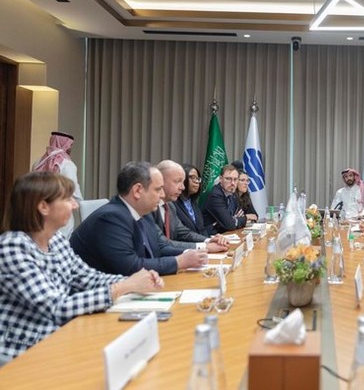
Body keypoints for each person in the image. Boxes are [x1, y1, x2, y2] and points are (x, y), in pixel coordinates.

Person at [0, 172, 164, 363]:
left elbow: (88, 277)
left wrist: (136, 281)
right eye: (67, 199)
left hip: (59, 336)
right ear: (43, 206)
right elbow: (57, 307)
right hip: (24, 350)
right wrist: (123, 287)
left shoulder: (56, 240)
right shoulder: (13, 246)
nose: (75, 205)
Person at [70, 161, 208, 276]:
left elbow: (159, 247)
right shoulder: (111, 217)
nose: (161, 195)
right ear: (137, 191)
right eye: (157, 189)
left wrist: (194, 253)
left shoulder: (143, 213)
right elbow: (131, 267)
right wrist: (179, 262)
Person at [154, 160, 229, 252]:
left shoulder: (169, 206)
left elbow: (184, 233)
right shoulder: (150, 208)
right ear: (160, 181)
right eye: (177, 181)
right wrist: (205, 247)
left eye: (182, 182)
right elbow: (162, 243)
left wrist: (208, 240)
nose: (182, 187)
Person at [31, 132, 83, 238]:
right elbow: (74, 192)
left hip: (38, 213)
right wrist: (84, 211)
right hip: (59, 215)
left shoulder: (38, 162)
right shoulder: (67, 164)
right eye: (70, 146)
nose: (70, 149)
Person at [202, 164, 247, 233]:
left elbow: (239, 215)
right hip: (211, 235)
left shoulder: (232, 194)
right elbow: (230, 224)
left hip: (225, 233)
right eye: (228, 179)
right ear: (220, 179)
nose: (233, 183)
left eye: (235, 179)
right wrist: (243, 219)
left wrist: (233, 220)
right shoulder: (215, 195)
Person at [173, 163, 210, 235]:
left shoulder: (193, 203)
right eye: (192, 178)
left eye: (198, 179)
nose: (197, 182)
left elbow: (201, 229)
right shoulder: (173, 203)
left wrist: (210, 240)